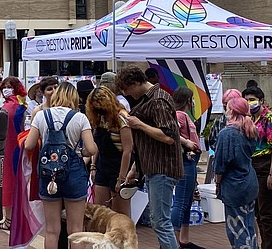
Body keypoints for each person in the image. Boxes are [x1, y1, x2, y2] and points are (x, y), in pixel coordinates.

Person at [117, 65, 183, 249]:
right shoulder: (151, 98)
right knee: (160, 220)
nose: (126, 93)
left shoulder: (158, 99)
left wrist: (139, 124)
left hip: (162, 167)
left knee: (160, 221)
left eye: (126, 88)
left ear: (137, 82)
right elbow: (148, 142)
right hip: (154, 167)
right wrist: (134, 169)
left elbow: (169, 136)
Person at [24, 81, 97, 249]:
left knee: (51, 230)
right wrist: (81, 153)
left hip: (49, 175)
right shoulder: (80, 118)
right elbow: (91, 149)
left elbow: (29, 145)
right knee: (76, 229)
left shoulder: (42, 115)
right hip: (74, 174)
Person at [242, 85, 272, 249]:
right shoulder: (249, 119)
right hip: (254, 167)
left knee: (267, 215)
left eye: (252, 100)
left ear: (261, 101)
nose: (249, 103)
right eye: (245, 100)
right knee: (258, 214)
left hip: (269, 165)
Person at [214, 97, 259, 249]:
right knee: (249, 224)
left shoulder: (226, 134)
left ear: (231, 111)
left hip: (234, 185)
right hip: (250, 181)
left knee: (237, 230)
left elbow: (220, 164)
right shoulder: (251, 130)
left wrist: (217, 183)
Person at [85, 85, 133, 217]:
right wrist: (93, 166)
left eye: (100, 106)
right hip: (102, 165)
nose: (99, 110)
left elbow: (128, 151)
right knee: (100, 210)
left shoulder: (122, 118)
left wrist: (121, 178)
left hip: (119, 166)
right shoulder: (99, 119)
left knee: (120, 213)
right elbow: (97, 146)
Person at [171, 87, 205, 249]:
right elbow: (171, 133)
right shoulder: (178, 115)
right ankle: (173, 241)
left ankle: (183, 239)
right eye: (191, 99)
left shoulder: (185, 116)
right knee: (181, 201)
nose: (192, 103)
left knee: (187, 200)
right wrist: (186, 142)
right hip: (185, 161)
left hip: (190, 162)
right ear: (187, 101)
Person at [0, 76, 27, 230]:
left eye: (9, 86)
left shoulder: (11, 106)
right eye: (4, 86)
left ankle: (9, 219)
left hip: (9, 147)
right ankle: (13, 218)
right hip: (16, 146)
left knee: (8, 181)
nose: (6, 89)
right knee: (14, 181)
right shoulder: (21, 104)